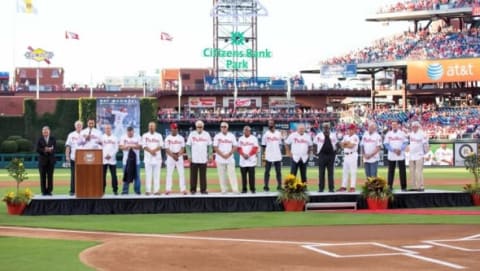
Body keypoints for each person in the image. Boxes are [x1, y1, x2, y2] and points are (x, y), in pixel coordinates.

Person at [186, 120, 212, 195]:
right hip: (194, 158)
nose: (199, 128)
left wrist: (210, 155)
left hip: (203, 158)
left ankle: (203, 190)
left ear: (203, 127)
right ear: (196, 127)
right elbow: (188, 146)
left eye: (201, 127)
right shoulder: (192, 134)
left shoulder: (206, 134)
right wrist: (189, 156)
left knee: (203, 176)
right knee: (193, 176)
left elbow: (210, 146)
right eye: (198, 127)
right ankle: (193, 189)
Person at [213, 122, 239, 193]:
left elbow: (235, 146)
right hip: (220, 158)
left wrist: (229, 154)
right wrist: (222, 155)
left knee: (232, 174)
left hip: (230, 158)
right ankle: (224, 190)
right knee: (222, 175)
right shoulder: (217, 136)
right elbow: (215, 147)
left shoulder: (231, 136)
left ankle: (235, 189)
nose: (223, 128)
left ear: (227, 127)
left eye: (224, 127)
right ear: (220, 128)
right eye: (222, 127)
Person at [384, 121, 408, 191]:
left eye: (395, 125)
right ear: (391, 126)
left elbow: (405, 142)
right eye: (392, 125)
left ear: (398, 125)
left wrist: (400, 149)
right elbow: (386, 144)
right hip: (392, 154)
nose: (394, 126)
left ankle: (403, 187)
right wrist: (393, 150)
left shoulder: (402, 133)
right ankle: (389, 186)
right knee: (391, 171)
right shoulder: (388, 134)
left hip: (400, 154)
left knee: (402, 171)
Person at [314, 122, 338, 192]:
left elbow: (336, 144)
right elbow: (315, 144)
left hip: (331, 155)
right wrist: (316, 152)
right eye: (325, 127)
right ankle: (321, 188)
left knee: (331, 173)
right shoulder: (319, 135)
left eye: (327, 127)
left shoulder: (333, 135)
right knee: (321, 172)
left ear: (329, 128)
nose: (326, 128)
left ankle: (331, 188)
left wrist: (336, 151)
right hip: (322, 155)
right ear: (323, 128)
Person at [164, 123, 187, 195]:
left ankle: (183, 189)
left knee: (181, 173)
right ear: (171, 129)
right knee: (169, 174)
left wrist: (178, 155)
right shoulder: (168, 138)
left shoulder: (181, 138)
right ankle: (168, 189)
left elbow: (183, 148)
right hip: (170, 157)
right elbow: (167, 149)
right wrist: (173, 156)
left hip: (179, 156)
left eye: (176, 128)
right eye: (174, 128)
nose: (175, 129)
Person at [142, 121, 164, 195]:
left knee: (157, 175)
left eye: (153, 126)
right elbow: (144, 146)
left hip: (157, 158)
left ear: (155, 127)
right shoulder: (145, 135)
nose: (151, 127)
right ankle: (148, 190)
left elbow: (161, 145)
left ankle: (156, 191)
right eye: (150, 126)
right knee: (148, 175)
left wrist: (153, 151)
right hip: (148, 158)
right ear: (148, 127)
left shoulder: (159, 135)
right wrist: (151, 151)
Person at [261, 119, 283, 191]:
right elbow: (263, 146)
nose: (270, 124)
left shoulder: (278, 133)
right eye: (269, 123)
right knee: (267, 172)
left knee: (278, 172)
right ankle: (266, 186)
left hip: (277, 155)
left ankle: (279, 186)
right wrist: (264, 155)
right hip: (269, 155)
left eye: (271, 123)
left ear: (274, 124)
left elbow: (280, 144)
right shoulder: (266, 134)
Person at [119, 126, 142, 195]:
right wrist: (125, 147)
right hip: (126, 161)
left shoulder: (137, 137)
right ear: (127, 132)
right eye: (128, 132)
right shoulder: (123, 137)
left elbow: (141, 147)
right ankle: (125, 191)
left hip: (136, 161)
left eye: (131, 132)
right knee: (126, 176)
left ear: (133, 131)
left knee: (137, 176)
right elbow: (120, 147)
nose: (130, 133)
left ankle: (137, 191)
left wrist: (132, 146)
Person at [338, 123, 359, 192]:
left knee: (353, 171)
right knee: (345, 171)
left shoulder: (355, 137)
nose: (349, 130)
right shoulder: (346, 136)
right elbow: (341, 145)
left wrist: (345, 144)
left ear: (354, 130)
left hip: (352, 155)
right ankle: (343, 186)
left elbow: (351, 146)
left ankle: (352, 187)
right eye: (348, 129)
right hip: (346, 155)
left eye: (351, 129)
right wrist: (347, 143)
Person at [65, 121, 84, 196]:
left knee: (83, 175)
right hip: (74, 157)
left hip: (83, 158)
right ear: (75, 126)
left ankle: (82, 190)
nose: (79, 126)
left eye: (80, 125)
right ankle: (72, 190)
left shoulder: (85, 134)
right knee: (73, 175)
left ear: (82, 126)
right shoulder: (71, 135)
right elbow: (68, 146)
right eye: (77, 125)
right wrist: (67, 156)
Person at [408, 121, 428, 191]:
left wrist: (425, 153)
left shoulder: (422, 134)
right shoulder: (411, 134)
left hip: (419, 155)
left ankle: (420, 186)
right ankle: (413, 186)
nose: (413, 128)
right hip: (411, 155)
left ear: (418, 126)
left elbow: (425, 144)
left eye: (415, 126)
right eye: (412, 126)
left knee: (418, 171)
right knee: (411, 171)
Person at [238, 125, 259, 193]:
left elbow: (255, 148)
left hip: (251, 160)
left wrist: (249, 155)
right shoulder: (240, 138)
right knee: (243, 177)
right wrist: (243, 154)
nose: (246, 131)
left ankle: (252, 189)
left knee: (251, 176)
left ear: (250, 131)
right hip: (243, 161)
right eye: (245, 130)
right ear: (243, 131)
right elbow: (239, 148)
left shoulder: (254, 138)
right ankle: (244, 189)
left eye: (248, 130)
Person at [36, 126, 56, 196]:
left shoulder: (53, 139)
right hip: (42, 161)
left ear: (49, 131)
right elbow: (37, 149)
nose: (45, 132)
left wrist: (51, 150)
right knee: (42, 176)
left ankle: (49, 191)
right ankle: (43, 191)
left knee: (50, 177)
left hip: (51, 161)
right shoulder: (39, 139)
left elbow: (55, 149)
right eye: (44, 131)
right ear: (42, 132)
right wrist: (45, 149)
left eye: (47, 131)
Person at [102, 124, 119, 195]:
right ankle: (102, 190)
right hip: (103, 159)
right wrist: (105, 155)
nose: (108, 129)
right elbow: (100, 147)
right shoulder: (102, 137)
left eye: (109, 128)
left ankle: (115, 190)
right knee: (102, 175)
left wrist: (111, 155)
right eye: (106, 128)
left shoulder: (114, 138)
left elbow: (116, 148)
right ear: (104, 129)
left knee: (114, 175)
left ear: (111, 129)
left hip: (112, 160)